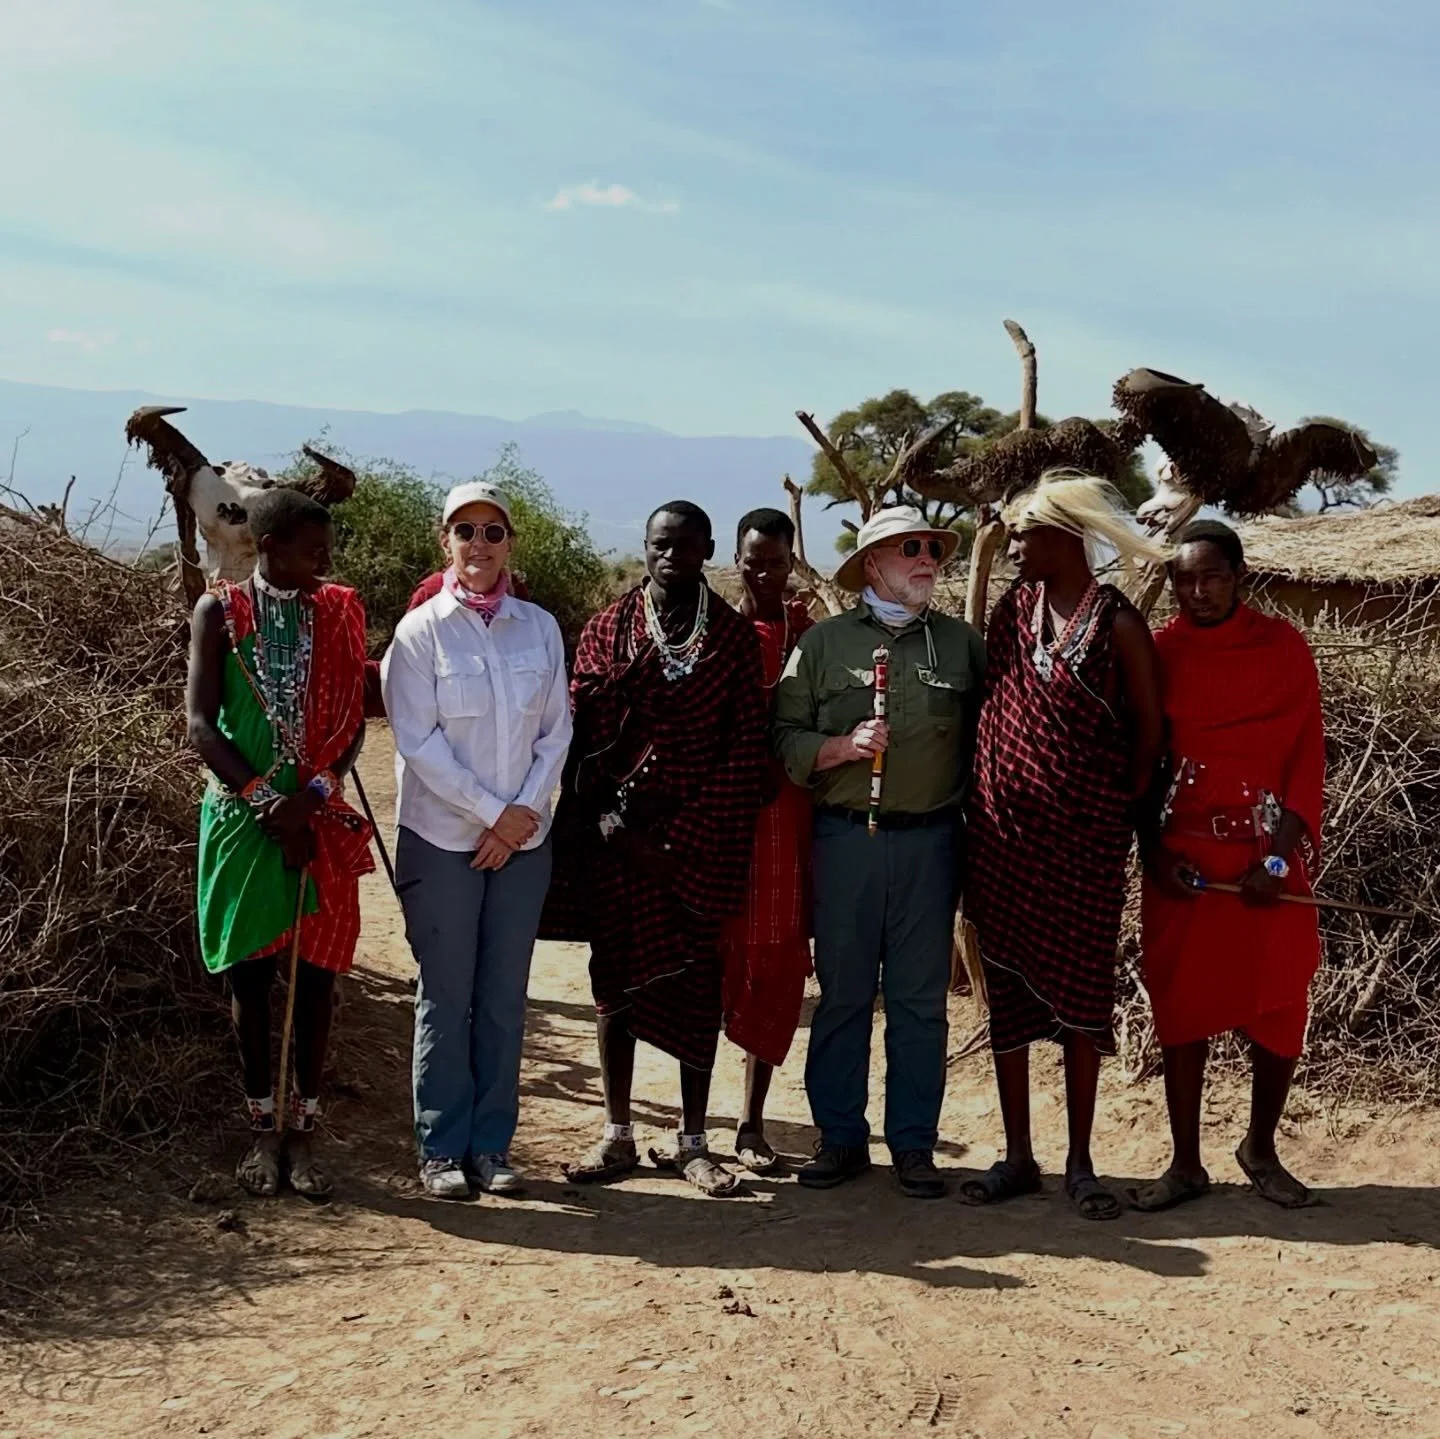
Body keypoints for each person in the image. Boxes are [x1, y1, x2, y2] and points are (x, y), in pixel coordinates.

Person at [545, 501, 766, 1197]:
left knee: (695, 987)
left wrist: (679, 840)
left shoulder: (731, 639)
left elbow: (745, 751)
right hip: (617, 838)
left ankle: (694, 1139)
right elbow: (578, 732)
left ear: (707, 550)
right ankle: (617, 1133)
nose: (670, 555)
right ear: (644, 548)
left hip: (694, 846)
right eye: (658, 544)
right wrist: (612, 823)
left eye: (685, 545)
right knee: (615, 982)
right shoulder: (609, 628)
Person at [961, 471, 1165, 1221]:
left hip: (1083, 849)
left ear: (1066, 534)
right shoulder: (1015, 611)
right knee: (1008, 995)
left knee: (1081, 1004)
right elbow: (993, 706)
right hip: (1004, 842)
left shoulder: (1116, 624)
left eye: (1024, 534)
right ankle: (1019, 1152)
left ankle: (1081, 1160)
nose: (1013, 545)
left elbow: (1149, 736)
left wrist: (1108, 810)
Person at [773, 506, 985, 1198]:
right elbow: (784, 739)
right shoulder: (824, 644)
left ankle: (915, 1145)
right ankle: (839, 1138)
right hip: (845, 843)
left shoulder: (960, 645)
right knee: (844, 995)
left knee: (921, 1001)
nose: (927, 559)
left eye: (932, 549)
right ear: (872, 563)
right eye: (910, 549)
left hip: (931, 844)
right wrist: (842, 747)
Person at [381, 481, 572, 1200]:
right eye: (466, 531)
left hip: (523, 840)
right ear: (445, 541)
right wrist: (492, 813)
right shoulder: (420, 633)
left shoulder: (539, 628)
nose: (480, 546)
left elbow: (556, 730)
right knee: (445, 991)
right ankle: (440, 1147)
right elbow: (419, 742)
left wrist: (520, 814)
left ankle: (492, 1146)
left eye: (493, 532)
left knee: (502, 996)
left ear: (510, 543)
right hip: (442, 836)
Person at [1132, 520, 1324, 1211]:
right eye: (1184, 578)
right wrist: (1154, 853)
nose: (1197, 590)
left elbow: (1305, 758)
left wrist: (1275, 859)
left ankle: (1260, 1148)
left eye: (1211, 575)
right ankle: (1185, 1162)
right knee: (1183, 1007)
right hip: (1185, 861)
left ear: (1239, 575)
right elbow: (1140, 765)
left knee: (1280, 1004)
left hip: (1266, 860)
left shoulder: (1282, 647)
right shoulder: (1157, 654)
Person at [187, 487, 373, 1200]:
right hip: (244, 820)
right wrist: (269, 802)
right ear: (270, 549)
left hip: (317, 813)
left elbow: (353, 721)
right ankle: (261, 1128)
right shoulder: (221, 612)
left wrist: (314, 798)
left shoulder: (338, 612)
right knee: (252, 980)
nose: (325, 561)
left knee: (319, 980)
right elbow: (202, 725)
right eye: (312, 549)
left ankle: (304, 1132)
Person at [719, 508, 815, 1173]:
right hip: (723, 822)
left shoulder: (812, 635)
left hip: (792, 819)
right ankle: (696, 1121)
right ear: (736, 559)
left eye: (775, 562)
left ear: (791, 563)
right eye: (752, 562)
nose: (763, 573)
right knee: (717, 963)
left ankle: (752, 1122)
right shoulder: (715, 632)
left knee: (778, 969)